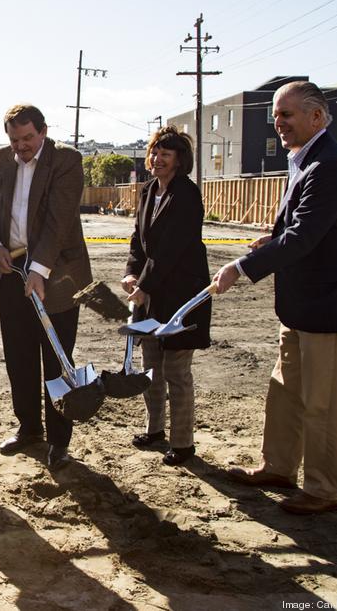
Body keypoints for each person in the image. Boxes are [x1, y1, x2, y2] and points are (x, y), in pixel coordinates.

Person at [213, 81, 337, 515]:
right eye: (275, 115)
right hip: (302, 304)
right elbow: (305, 228)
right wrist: (274, 238)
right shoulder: (304, 160)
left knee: (324, 402)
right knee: (285, 391)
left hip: (331, 306)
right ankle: (279, 467)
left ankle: (324, 489)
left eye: (286, 114)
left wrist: (242, 268)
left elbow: (305, 236)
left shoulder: (329, 166)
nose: (277, 122)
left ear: (317, 117)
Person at [0, 104, 92, 468]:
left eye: (27, 138)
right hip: (10, 268)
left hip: (57, 271)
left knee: (57, 358)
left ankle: (58, 440)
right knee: (19, 356)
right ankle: (29, 429)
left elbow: (58, 221)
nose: (21, 147)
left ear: (42, 131)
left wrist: (39, 270)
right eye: (14, 140)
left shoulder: (66, 160)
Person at [121, 126, 211, 466]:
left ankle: (183, 443)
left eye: (166, 154)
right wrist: (132, 273)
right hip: (151, 295)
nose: (157, 159)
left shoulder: (186, 194)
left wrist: (143, 285)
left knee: (176, 371)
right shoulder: (147, 191)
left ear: (178, 160)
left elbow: (171, 250)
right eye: (155, 152)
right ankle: (154, 429)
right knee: (151, 368)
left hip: (181, 297)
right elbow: (138, 241)